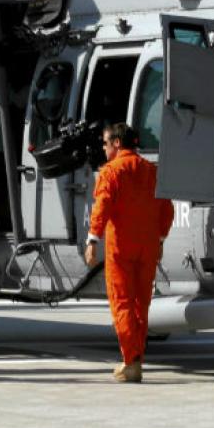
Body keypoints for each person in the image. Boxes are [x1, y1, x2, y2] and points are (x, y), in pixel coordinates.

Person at [84, 122, 174, 384]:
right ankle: (136, 359)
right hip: (148, 247)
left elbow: (102, 207)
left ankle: (131, 361)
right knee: (140, 304)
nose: (103, 149)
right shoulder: (152, 171)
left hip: (121, 247)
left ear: (116, 143)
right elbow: (166, 209)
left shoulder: (112, 171)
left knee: (122, 302)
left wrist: (92, 239)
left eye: (105, 143)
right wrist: (160, 240)